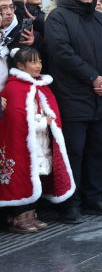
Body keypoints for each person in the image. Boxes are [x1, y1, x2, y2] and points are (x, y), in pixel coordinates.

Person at [46, 0, 102, 224]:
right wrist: (93, 77)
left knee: (101, 149)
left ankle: (95, 198)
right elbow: (62, 53)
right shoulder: (58, 17)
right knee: (74, 151)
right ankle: (70, 203)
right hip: (72, 95)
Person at [0, 48, 74, 233]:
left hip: (40, 142)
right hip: (22, 143)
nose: (38, 66)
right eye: (33, 62)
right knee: (20, 175)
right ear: (20, 66)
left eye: (40, 61)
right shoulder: (14, 88)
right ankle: (17, 216)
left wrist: (49, 122)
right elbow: (18, 120)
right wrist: (43, 122)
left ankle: (31, 213)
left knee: (37, 176)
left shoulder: (41, 86)